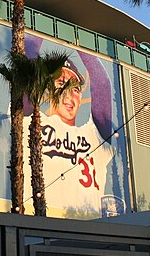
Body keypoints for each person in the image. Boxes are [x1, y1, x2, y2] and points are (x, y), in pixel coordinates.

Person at [23, 48, 117, 218]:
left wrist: (79, 42)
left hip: (89, 225)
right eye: (61, 83)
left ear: (81, 96)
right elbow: (28, 53)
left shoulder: (93, 135)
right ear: (47, 88)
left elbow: (102, 84)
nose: (69, 94)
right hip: (36, 220)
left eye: (75, 88)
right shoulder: (32, 123)